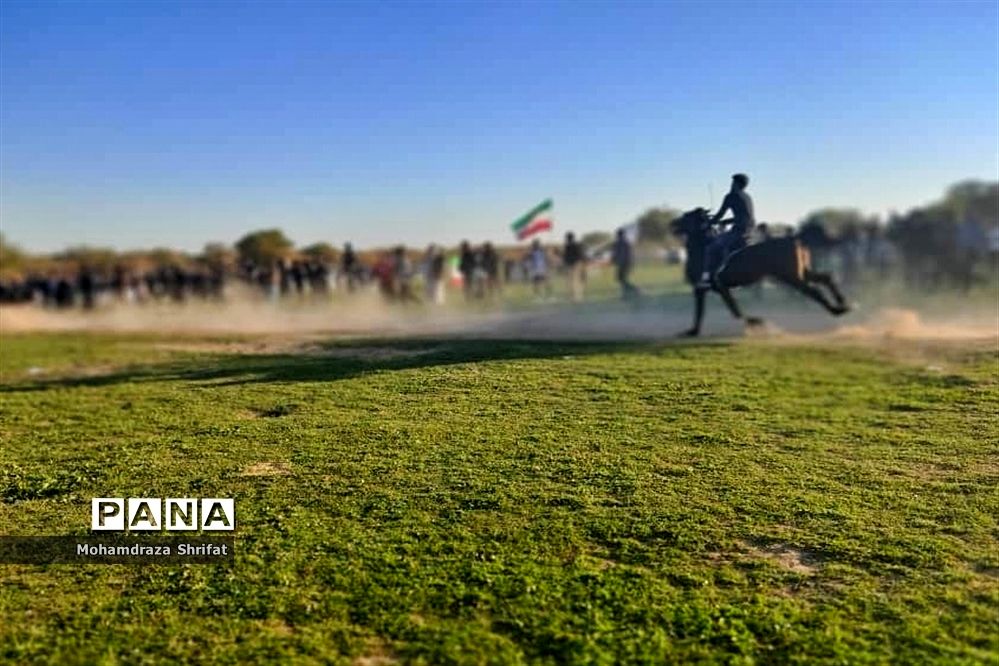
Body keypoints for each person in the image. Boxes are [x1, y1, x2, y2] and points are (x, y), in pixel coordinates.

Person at [700, 173, 756, 287]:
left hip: (738, 232)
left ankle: (708, 277)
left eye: (733, 182)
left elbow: (720, 214)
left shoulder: (731, 196)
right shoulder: (747, 197)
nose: (731, 185)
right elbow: (744, 217)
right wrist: (725, 222)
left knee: (711, 248)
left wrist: (709, 223)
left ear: (736, 184)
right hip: (750, 230)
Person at [611, 227, 639, 300]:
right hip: (626, 263)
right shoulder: (627, 242)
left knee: (621, 279)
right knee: (622, 279)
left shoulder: (617, 243)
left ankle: (635, 290)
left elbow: (615, 254)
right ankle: (626, 294)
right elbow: (630, 254)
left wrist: (614, 260)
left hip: (623, 263)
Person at [562, 232, 586, 302]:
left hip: (573, 265)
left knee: (572, 281)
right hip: (576, 264)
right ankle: (577, 296)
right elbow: (581, 255)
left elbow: (565, 256)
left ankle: (576, 297)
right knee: (575, 281)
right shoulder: (576, 245)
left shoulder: (568, 246)